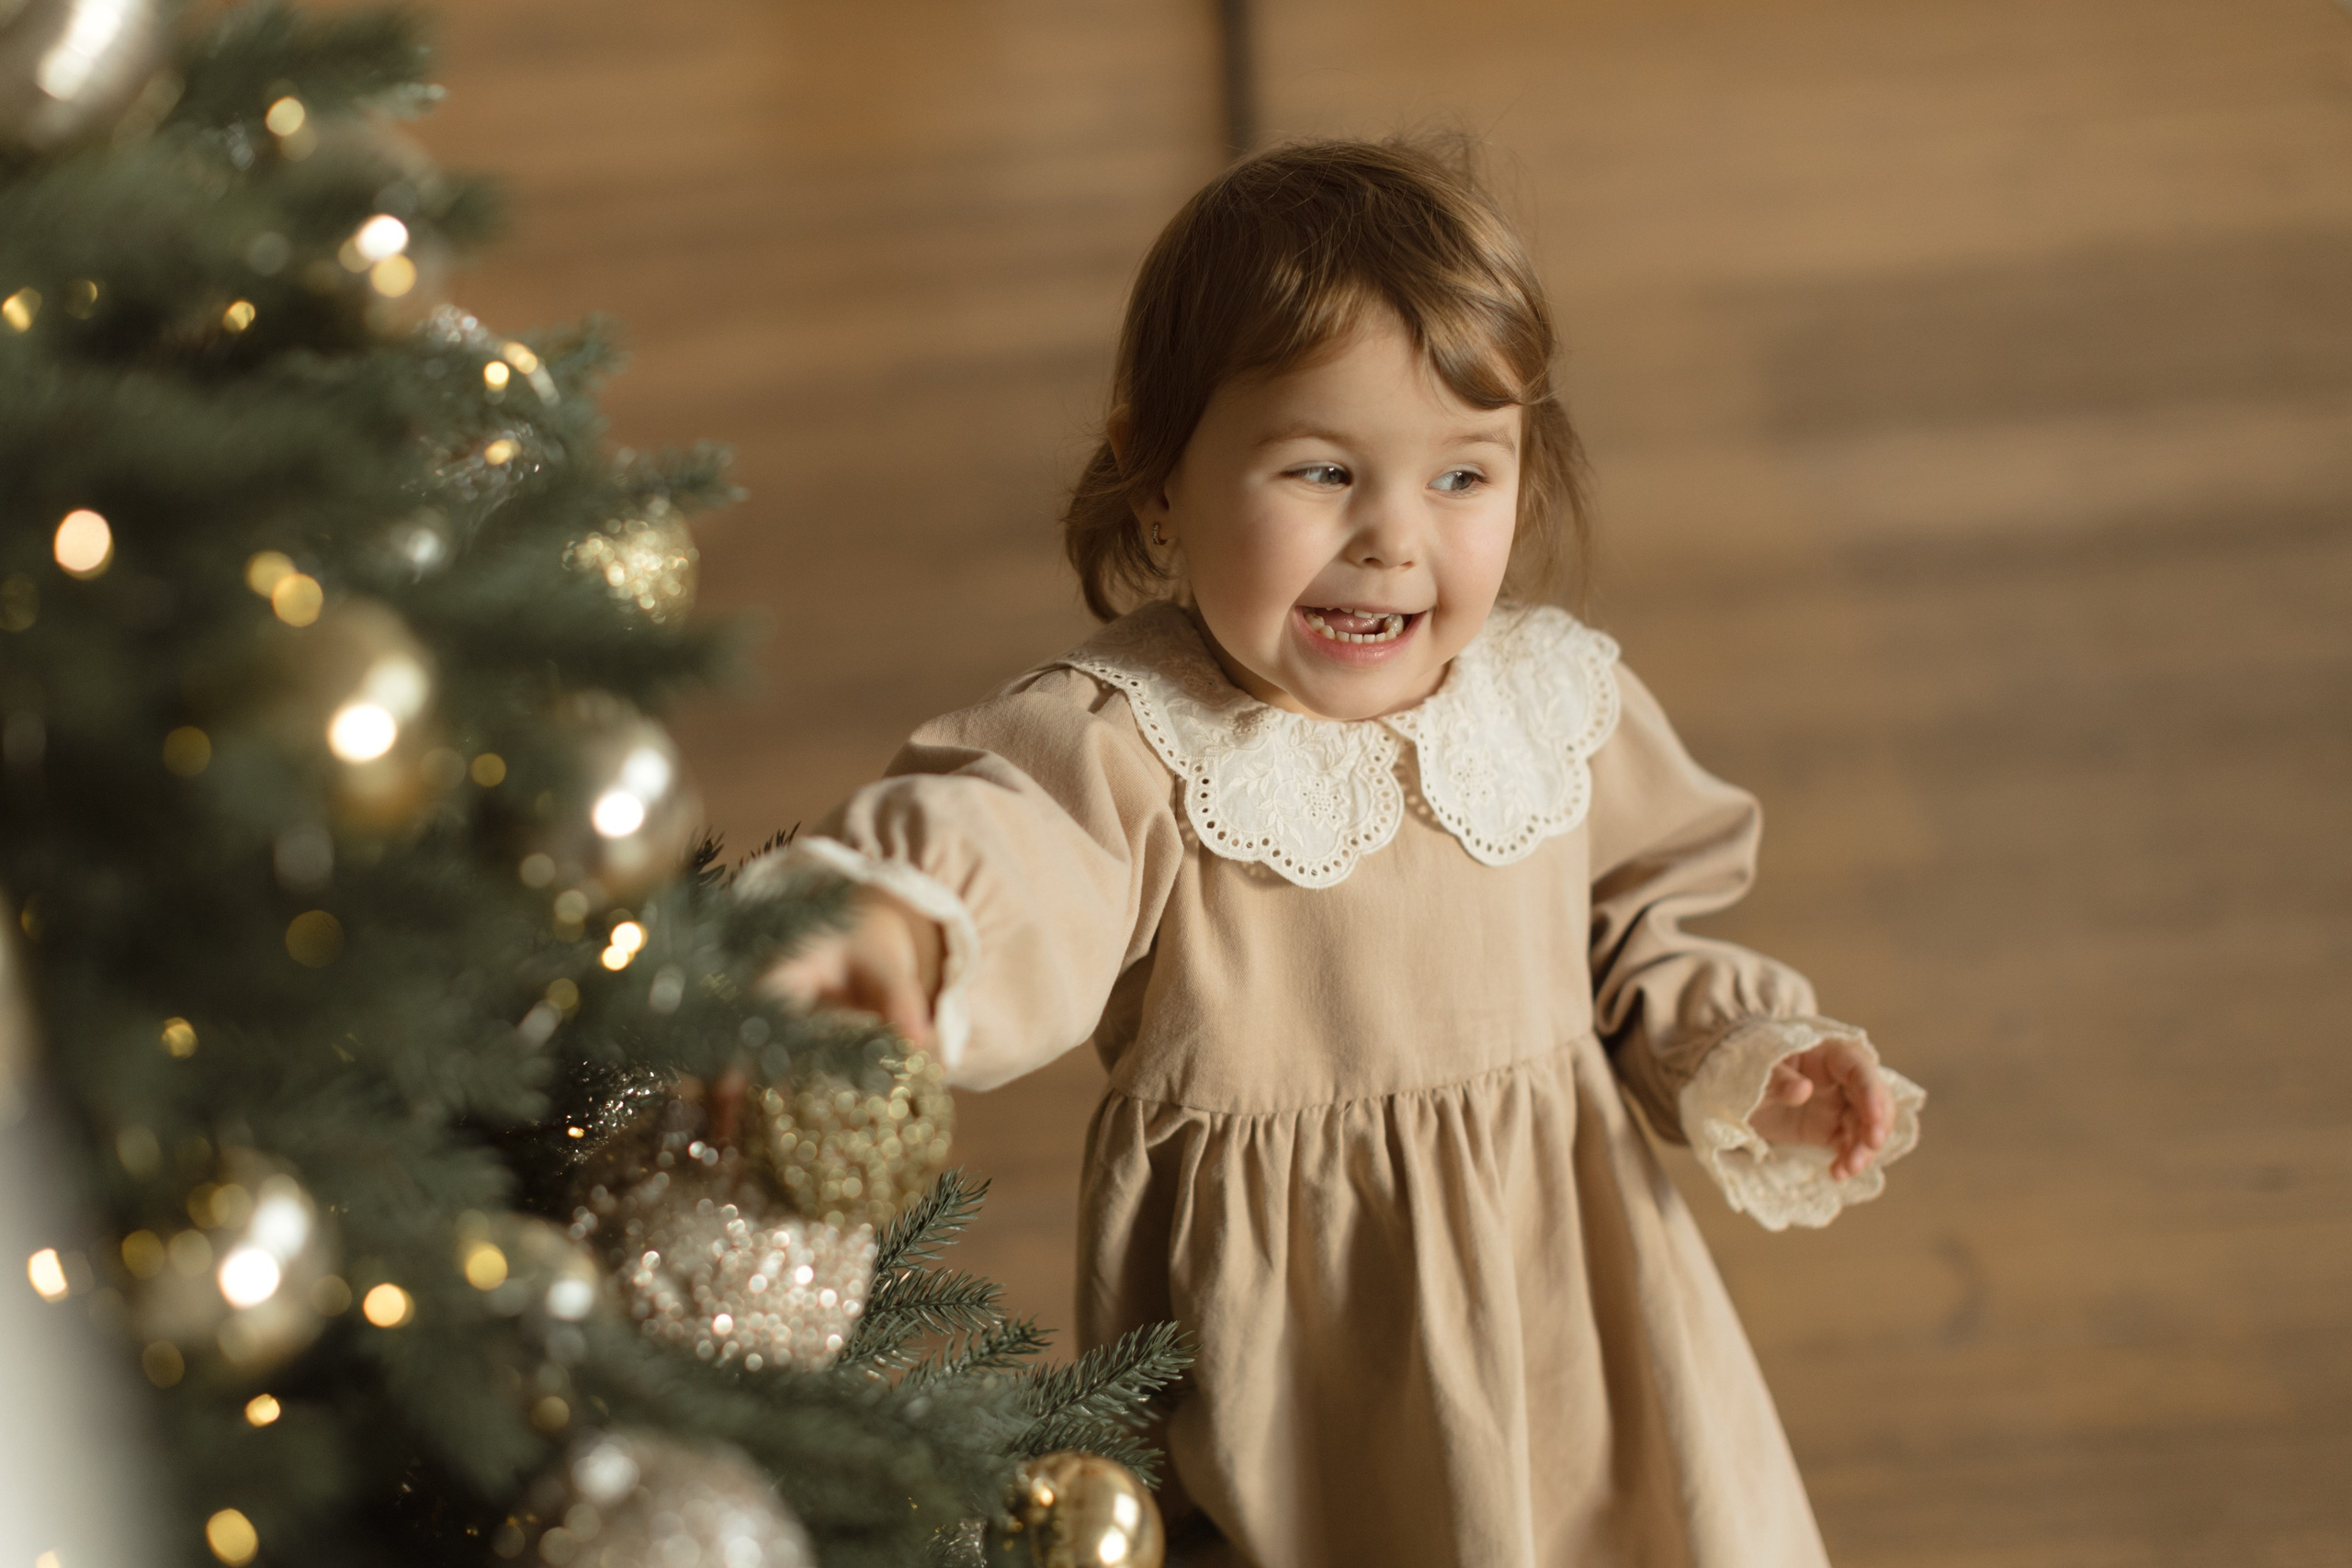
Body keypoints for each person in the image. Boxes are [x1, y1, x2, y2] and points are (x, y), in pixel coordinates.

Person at [752, 138, 1925, 1568]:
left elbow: (1641, 938)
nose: (1392, 538)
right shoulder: (1139, 743)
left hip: (1582, 1336)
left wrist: (1747, 1052)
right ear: (1159, 474)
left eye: (1461, 475)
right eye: (1321, 469)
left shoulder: (1556, 709)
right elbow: (1013, 836)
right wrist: (904, 926)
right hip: (1306, 1381)